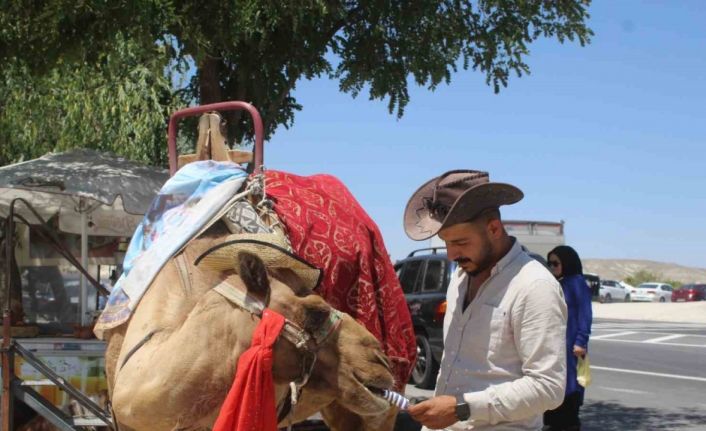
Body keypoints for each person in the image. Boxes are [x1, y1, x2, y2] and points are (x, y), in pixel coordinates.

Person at [405, 170, 568, 431]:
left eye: (460, 242)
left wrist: (462, 408)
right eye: (446, 243)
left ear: (493, 228)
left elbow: (548, 387)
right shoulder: (459, 278)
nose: (451, 255)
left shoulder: (534, 285)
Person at [543, 246, 592, 431]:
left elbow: (585, 314)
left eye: (556, 263)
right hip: (556, 346)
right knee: (555, 384)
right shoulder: (559, 282)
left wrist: (581, 341)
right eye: (550, 263)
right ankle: (555, 423)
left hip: (571, 346)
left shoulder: (577, 283)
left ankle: (569, 424)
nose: (552, 267)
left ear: (568, 263)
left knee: (570, 387)